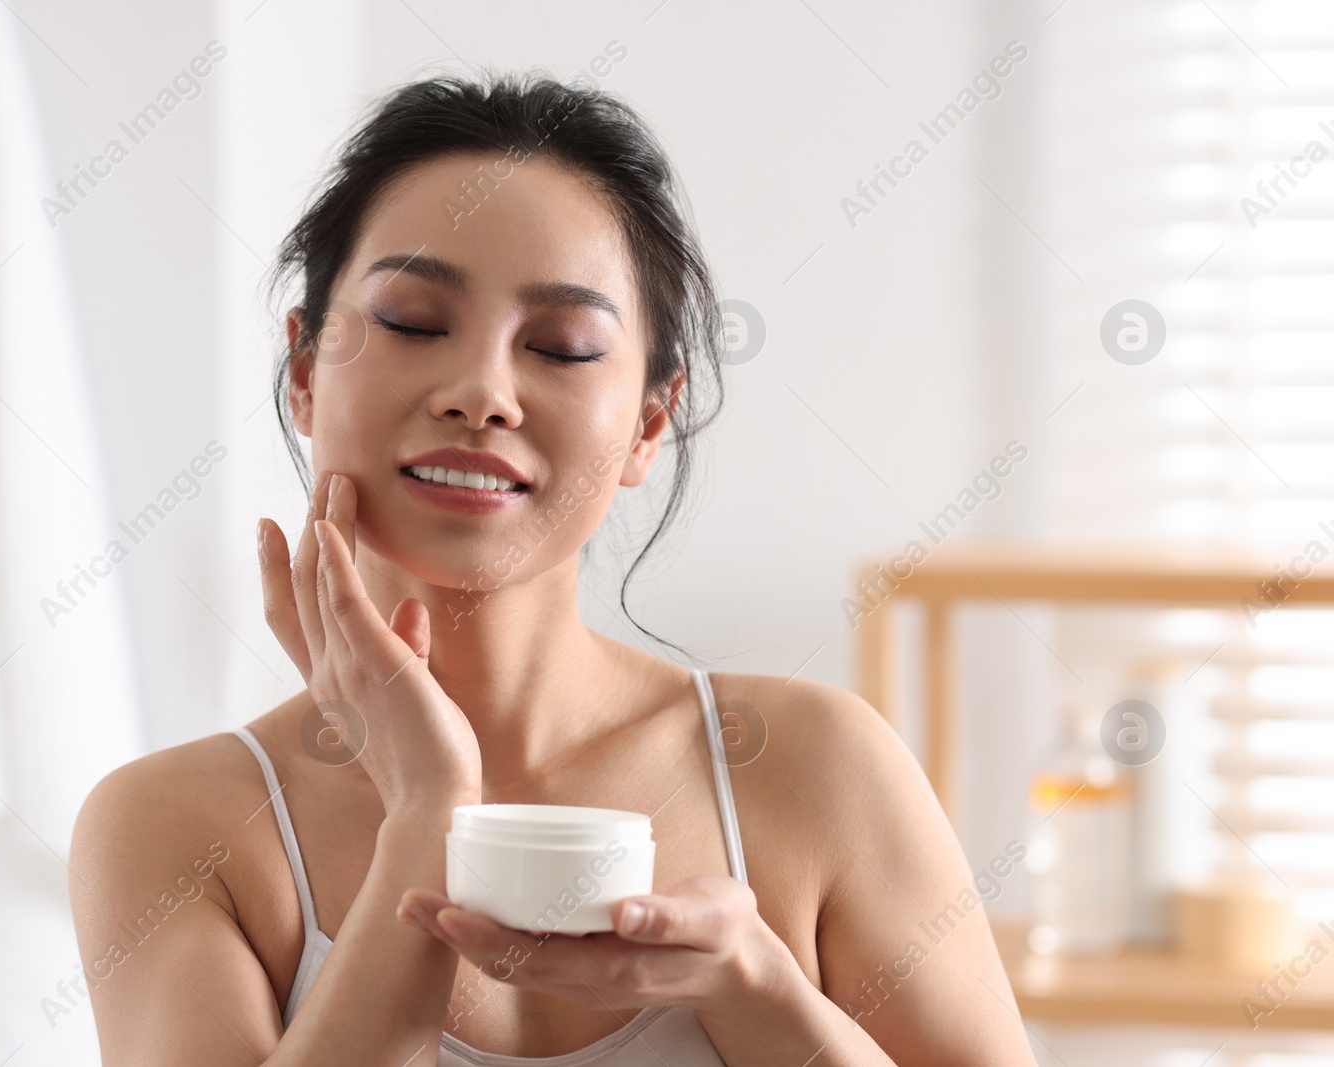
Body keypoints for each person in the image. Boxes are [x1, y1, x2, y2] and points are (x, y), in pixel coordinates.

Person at [69, 73, 1038, 1066]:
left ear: (648, 423)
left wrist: (755, 984)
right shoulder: (174, 823)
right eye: (411, 321)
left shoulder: (815, 770)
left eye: (562, 347)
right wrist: (425, 812)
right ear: (307, 370)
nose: (482, 390)